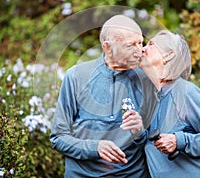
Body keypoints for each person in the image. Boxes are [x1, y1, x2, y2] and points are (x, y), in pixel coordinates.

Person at [49, 15, 157, 177]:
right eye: (130, 45)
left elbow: (156, 139)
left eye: (140, 43)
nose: (139, 51)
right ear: (107, 48)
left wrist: (139, 132)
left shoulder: (146, 79)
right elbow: (58, 137)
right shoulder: (76, 77)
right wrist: (95, 148)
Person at [137, 30, 200, 177]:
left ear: (168, 55)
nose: (143, 48)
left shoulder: (185, 92)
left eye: (151, 44)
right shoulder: (150, 100)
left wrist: (179, 140)